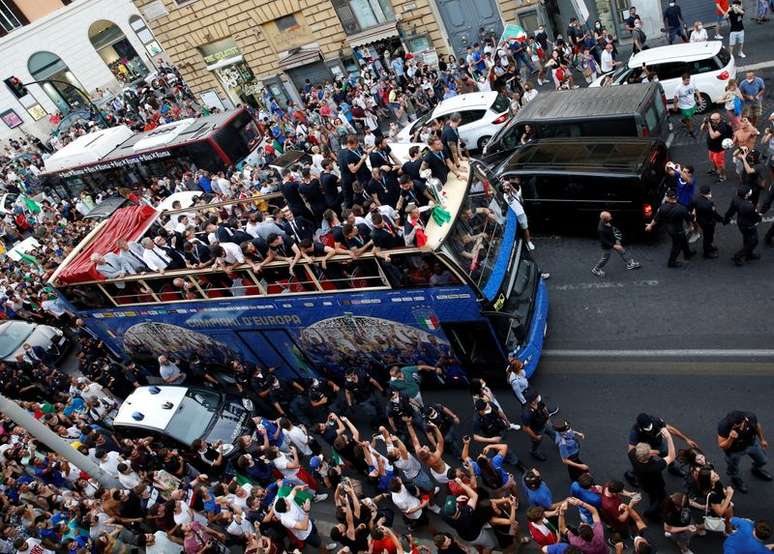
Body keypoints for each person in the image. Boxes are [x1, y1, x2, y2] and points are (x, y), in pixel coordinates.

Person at [628, 426, 676, 520]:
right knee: (660, 499)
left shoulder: (632, 454)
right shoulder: (654, 467)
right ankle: (650, 513)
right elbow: (672, 456)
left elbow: (635, 449)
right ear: (648, 455)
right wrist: (669, 437)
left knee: (652, 495)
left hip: (643, 482)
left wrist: (655, 452)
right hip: (656, 486)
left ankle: (653, 503)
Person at [717, 410, 772, 492]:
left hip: (751, 444)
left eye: (737, 424)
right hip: (734, 450)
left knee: (763, 460)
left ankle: (756, 469)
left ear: (744, 420)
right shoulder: (724, 426)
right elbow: (722, 445)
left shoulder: (751, 417)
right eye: (733, 425)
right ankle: (735, 479)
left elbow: (757, 426)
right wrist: (730, 438)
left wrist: (762, 440)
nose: (734, 426)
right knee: (733, 468)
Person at [645, 188, 695, 267]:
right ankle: (671, 262)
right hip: (678, 229)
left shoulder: (662, 208)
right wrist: (691, 227)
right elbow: (688, 220)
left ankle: (687, 253)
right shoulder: (682, 208)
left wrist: (650, 225)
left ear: (668, 198)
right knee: (677, 246)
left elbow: (656, 219)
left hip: (669, 228)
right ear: (676, 198)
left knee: (683, 239)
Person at [591, 211, 641, 277]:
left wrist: (616, 240)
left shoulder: (605, 222)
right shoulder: (601, 229)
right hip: (607, 246)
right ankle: (596, 269)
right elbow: (604, 241)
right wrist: (614, 245)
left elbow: (611, 232)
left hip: (612, 241)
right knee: (605, 258)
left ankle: (629, 264)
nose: (611, 218)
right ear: (605, 219)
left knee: (622, 251)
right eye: (609, 217)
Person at [724, 183, 762, 266]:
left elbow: (730, 211)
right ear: (746, 194)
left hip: (741, 222)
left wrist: (726, 220)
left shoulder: (735, 199)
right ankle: (738, 255)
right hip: (749, 225)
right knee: (753, 242)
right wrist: (759, 217)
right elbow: (755, 217)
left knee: (746, 238)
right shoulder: (749, 206)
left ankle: (749, 255)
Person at [692, 185, 724, 258]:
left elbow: (693, 207)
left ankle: (709, 247)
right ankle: (707, 253)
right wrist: (722, 220)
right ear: (709, 192)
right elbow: (715, 214)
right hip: (708, 222)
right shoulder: (709, 204)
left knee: (707, 236)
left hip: (701, 221)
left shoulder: (696, 199)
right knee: (708, 237)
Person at [701, 112, 733, 182]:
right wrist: (705, 123)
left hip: (719, 149)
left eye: (713, 120)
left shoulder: (722, 126)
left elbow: (713, 136)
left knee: (720, 163)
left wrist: (709, 126)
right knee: (713, 160)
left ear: (718, 120)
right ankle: (716, 170)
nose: (711, 120)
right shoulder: (711, 122)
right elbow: (702, 129)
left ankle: (722, 175)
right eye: (711, 119)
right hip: (711, 147)